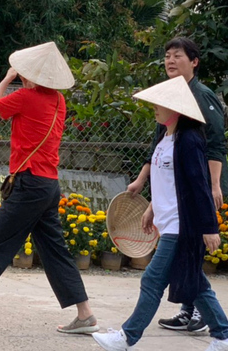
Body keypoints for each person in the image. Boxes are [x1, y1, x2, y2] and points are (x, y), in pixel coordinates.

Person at [0, 42, 98, 347]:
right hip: (48, 185)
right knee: (54, 251)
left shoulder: (27, 97)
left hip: (29, 184)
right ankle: (85, 313)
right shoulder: (59, 100)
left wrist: (7, 79)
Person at [93, 75, 228, 351]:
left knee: (152, 280)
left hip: (182, 226)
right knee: (195, 283)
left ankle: (127, 337)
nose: (154, 107)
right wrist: (152, 209)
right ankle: (224, 335)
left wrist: (210, 227)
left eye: (160, 104)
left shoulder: (188, 140)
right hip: (168, 223)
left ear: (176, 109)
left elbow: (199, 185)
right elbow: (166, 181)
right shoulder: (166, 138)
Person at [128, 37, 227, 333]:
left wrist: (212, 186)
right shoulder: (167, 97)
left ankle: (131, 334)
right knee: (187, 265)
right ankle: (205, 320)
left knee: (180, 263)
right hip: (175, 198)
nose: (170, 61)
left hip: (195, 189)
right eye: (167, 56)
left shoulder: (202, 95)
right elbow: (157, 147)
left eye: (178, 56)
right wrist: (142, 182)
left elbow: (214, 145)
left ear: (194, 61)